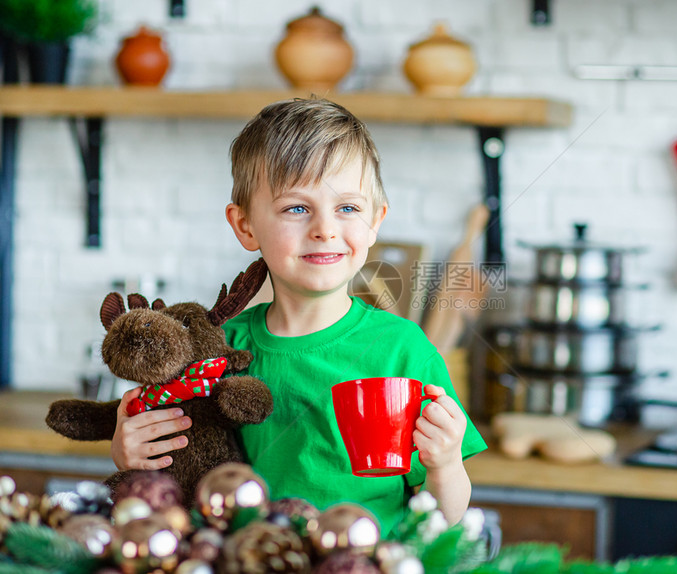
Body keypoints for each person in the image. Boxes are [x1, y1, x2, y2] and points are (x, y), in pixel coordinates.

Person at [109, 98, 488, 534]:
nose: (324, 228)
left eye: (347, 208)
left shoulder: (404, 350)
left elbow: (446, 516)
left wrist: (444, 465)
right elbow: (174, 479)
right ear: (246, 226)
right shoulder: (214, 351)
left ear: (375, 221)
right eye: (296, 208)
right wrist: (130, 454)